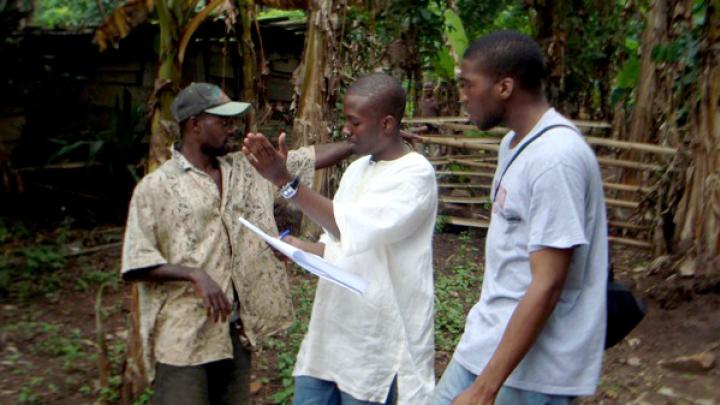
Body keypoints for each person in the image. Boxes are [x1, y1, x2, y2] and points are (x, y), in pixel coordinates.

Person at [121, 82, 356, 405]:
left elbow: (308, 159)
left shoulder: (246, 170)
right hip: (183, 338)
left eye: (233, 121)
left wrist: (363, 142)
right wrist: (193, 274)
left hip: (235, 332)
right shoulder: (157, 187)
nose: (233, 129)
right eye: (223, 122)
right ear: (194, 125)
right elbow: (135, 264)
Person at [432, 31, 608, 405]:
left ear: (504, 87)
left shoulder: (555, 157)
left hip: (531, 372)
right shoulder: (513, 144)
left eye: (468, 84)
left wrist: (485, 389)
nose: (462, 95)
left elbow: (547, 284)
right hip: (487, 343)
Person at [242, 72, 438, 405]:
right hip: (331, 335)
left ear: (387, 124)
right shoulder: (357, 170)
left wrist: (286, 181)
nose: (346, 130)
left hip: (377, 342)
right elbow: (341, 243)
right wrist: (300, 249)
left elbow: (350, 227)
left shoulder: (415, 175)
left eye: (355, 122)